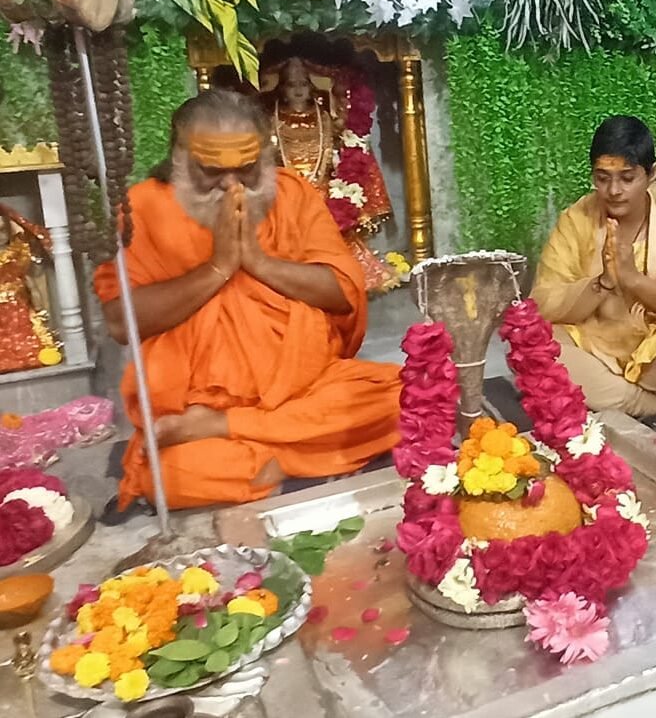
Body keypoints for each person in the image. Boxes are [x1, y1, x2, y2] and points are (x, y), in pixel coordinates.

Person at [95, 90, 401, 510]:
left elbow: (342, 292)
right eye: (211, 171)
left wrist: (256, 261)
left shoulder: (292, 195)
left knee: (409, 397)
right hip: (195, 399)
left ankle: (229, 433)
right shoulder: (141, 209)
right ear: (178, 159)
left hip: (305, 388)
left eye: (247, 169)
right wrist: (217, 267)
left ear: (266, 155)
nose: (232, 185)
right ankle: (297, 453)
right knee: (169, 473)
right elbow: (121, 321)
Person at [531, 116, 656, 418]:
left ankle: (609, 394)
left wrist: (635, 281)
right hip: (593, 343)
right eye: (602, 178)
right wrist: (602, 283)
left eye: (627, 178)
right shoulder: (576, 220)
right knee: (531, 346)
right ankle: (655, 403)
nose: (614, 190)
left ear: (652, 174)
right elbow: (544, 302)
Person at [261, 56, 398, 293]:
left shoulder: (325, 118)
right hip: (285, 186)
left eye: (303, 84)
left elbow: (342, 152)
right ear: (282, 89)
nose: (298, 91)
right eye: (291, 85)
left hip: (323, 186)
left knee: (327, 209)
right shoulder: (271, 121)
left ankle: (334, 271)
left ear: (311, 88)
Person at [0, 204, 62, 372]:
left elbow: (30, 283)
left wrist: (40, 305)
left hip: (17, 305)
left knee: (25, 338)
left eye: (3, 230)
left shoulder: (17, 252)